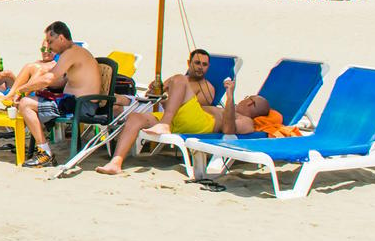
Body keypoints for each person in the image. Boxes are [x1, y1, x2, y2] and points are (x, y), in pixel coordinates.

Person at [96, 52, 271, 175]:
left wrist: (231, 96)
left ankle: (164, 124)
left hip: (202, 124)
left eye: (250, 99)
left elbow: (228, 130)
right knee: (136, 117)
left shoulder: (247, 121)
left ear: (252, 105)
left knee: (180, 79)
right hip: (180, 118)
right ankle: (116, 162)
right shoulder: (224, 109)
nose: (245, 99)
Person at [12, 22, 101, 168]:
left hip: (81, 106)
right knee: (32, 99)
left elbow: (49, 78)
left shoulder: (71, 53)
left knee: (25, 104)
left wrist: (20, 89)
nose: (49, 46)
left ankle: (45, 153)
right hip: (76, 103)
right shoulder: (75, 52)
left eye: (50, 41)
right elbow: (59, 81)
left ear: (61, 38)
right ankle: (43, 149)